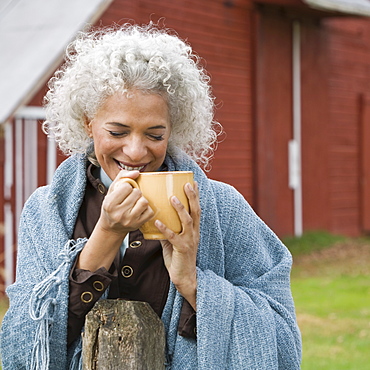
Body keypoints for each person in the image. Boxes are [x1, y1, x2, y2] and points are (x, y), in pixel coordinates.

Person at [0, 23, 301, 369]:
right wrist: (106, 235)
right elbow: (22, 350)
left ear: (173, 129)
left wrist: (192, 282)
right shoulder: (46, 212)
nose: (135, 151)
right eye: (117, 131)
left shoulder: (224, 209)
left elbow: (282, 347)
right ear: (87, 122)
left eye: (155, 135)